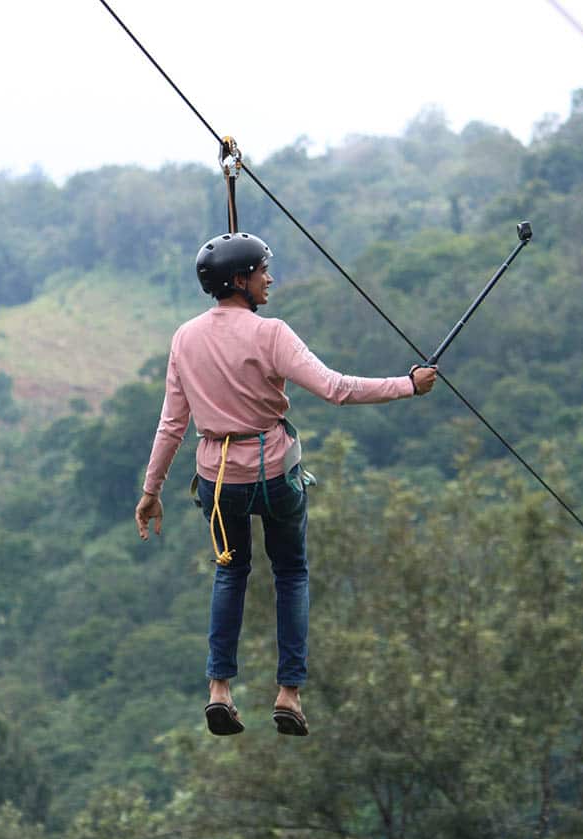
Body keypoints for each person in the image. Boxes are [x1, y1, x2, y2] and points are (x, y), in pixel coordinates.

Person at [135, 232, 437, 737]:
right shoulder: (270, 334)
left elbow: (173, 423)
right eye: (261, 271)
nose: (269, 278)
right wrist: (407, 385)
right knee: (291, 572)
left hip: (217, 477)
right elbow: (336, 389)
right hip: (272, 472)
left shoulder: (184, 338)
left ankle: (219, 690)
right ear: (240, 280)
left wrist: (151, 491)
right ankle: (289, 694)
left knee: (229, 573)